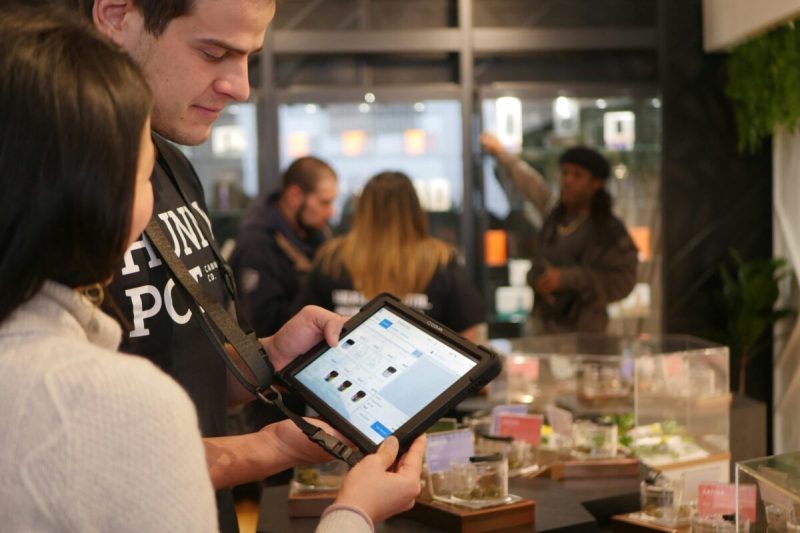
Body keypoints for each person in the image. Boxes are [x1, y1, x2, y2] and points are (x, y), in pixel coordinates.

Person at [0, 6, 423, 532]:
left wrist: (268, 358)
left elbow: (178, 368)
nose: (240, 87)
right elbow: (98, 435)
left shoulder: (174, 164)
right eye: (212, 51)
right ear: (115, 15)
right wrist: (343, 503)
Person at [480, 132, 638, 333]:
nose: (568, 180)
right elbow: (529, 182)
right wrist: (500, 152)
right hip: (543, 328)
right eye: (564, 173)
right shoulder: (554, 212)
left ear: (596, 183)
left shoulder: (609, 229)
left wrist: (568, 278)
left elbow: (623, 281)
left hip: (586, 336)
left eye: (577, 175)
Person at [301, 171, 486, 341]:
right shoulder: (440, 259)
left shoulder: (331, 257)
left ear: (362, 209)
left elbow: (307, 325)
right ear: (414, 209)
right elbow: (469, 330)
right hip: (418, 372)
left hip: (343, 369)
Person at [231, 156, 338, 337]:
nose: (331, 212)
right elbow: (263, 328)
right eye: (324, 202)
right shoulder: (256, 246)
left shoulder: (317, 234)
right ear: (295, 195)